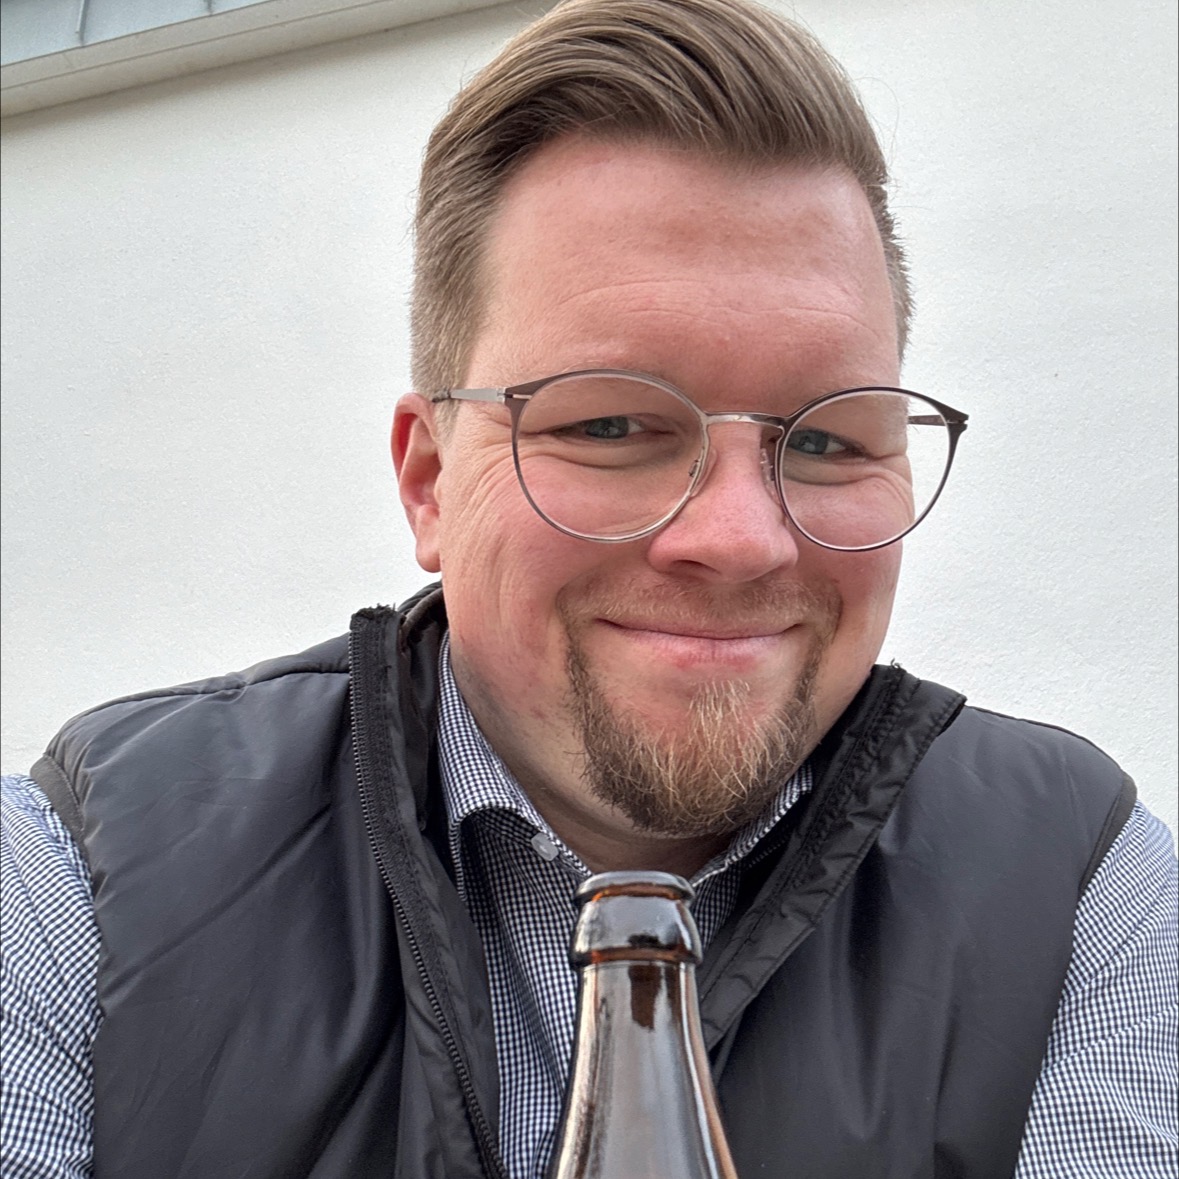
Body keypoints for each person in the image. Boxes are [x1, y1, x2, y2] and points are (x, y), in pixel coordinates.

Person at [1, 0, 1175, 1175]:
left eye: (827, 441)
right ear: (429, 481)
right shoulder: (84, 880)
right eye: (610, 425)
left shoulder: (1084, 899)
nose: (740, 540)